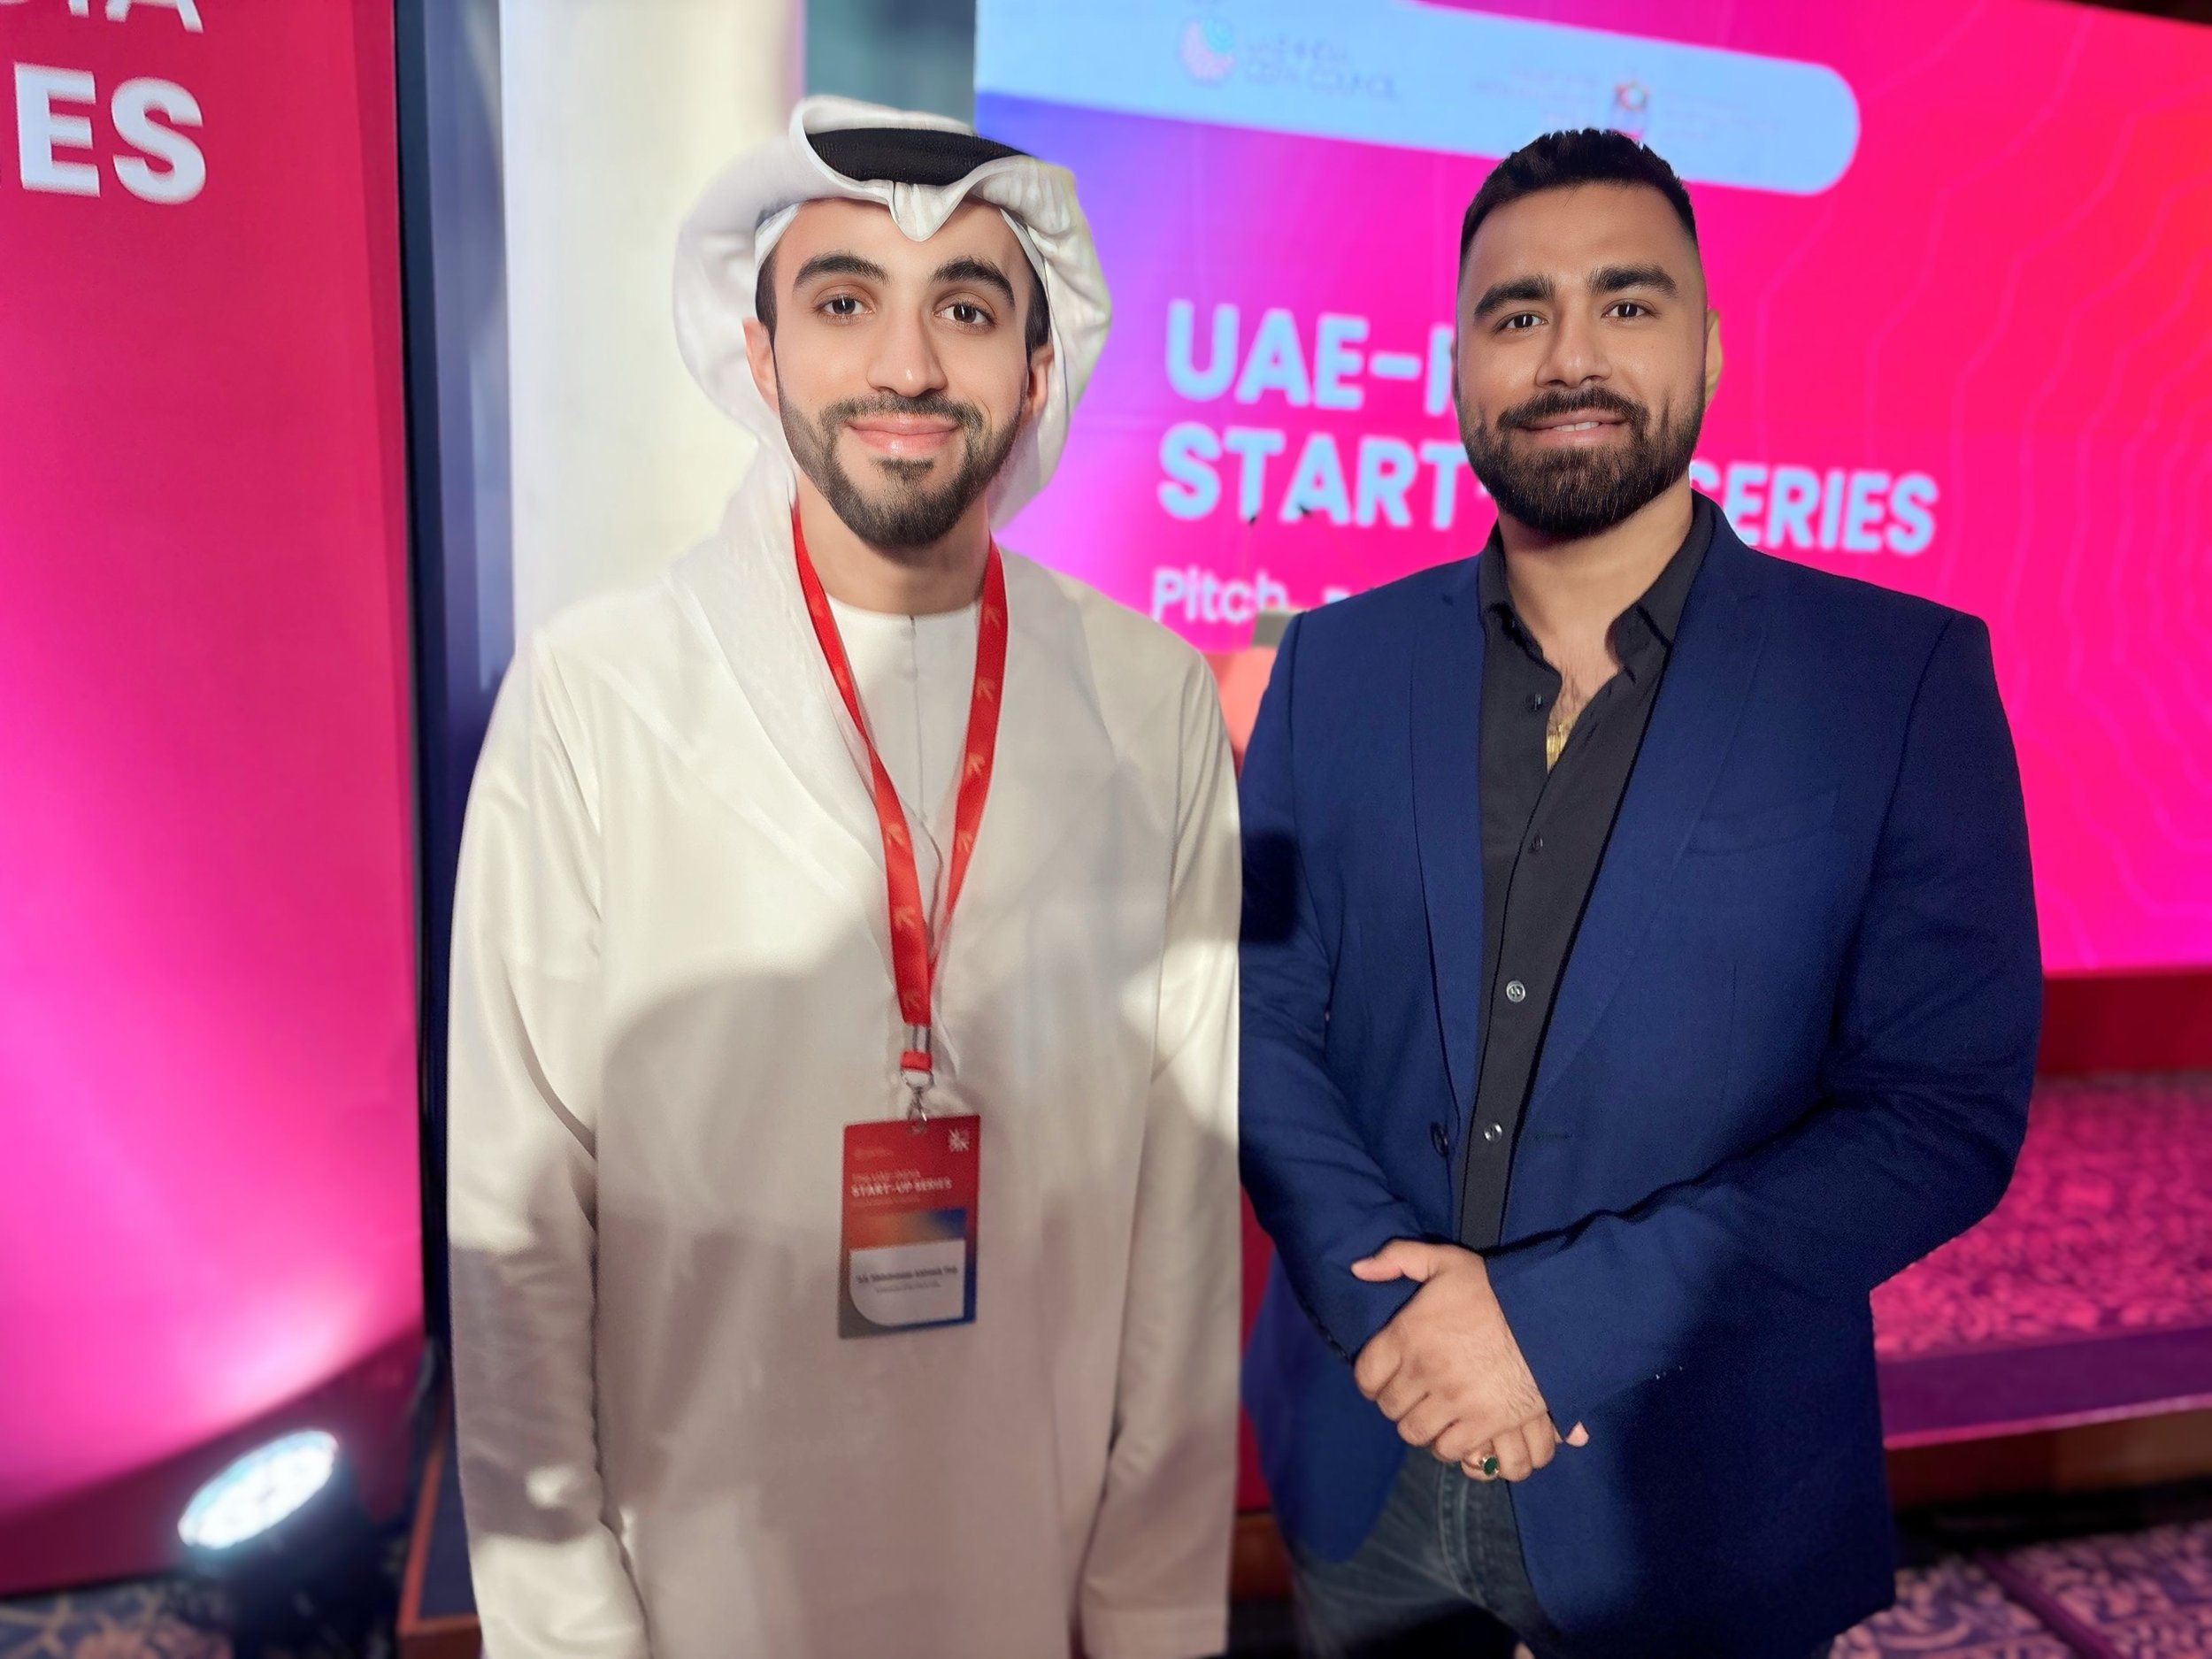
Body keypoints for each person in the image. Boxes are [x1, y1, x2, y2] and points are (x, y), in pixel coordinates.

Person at [446, 96, 1240, 1659]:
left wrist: (1148, 1608)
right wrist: (562, 1627)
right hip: (694, 1589)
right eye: (842, 301)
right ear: (760, 358)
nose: (904, 366)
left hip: (1027, 1561)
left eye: (964, 305)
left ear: (1035, 365)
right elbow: (517, 1209)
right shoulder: (596, 697)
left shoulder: (1149, 702)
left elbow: (1182, 1203)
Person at [1238, 128, 2039, 1658]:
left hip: (1699, 1485)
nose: (1569, 354)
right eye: (1517, 312)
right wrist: (1406, 1326)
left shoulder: (1893, 680)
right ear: (1459, 364)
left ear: (1712, 347)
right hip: (1366, 1450)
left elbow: (1939, 1114)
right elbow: (1255, 1016)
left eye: (1628, 300)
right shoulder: (1335, 663)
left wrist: (1544, 1329)